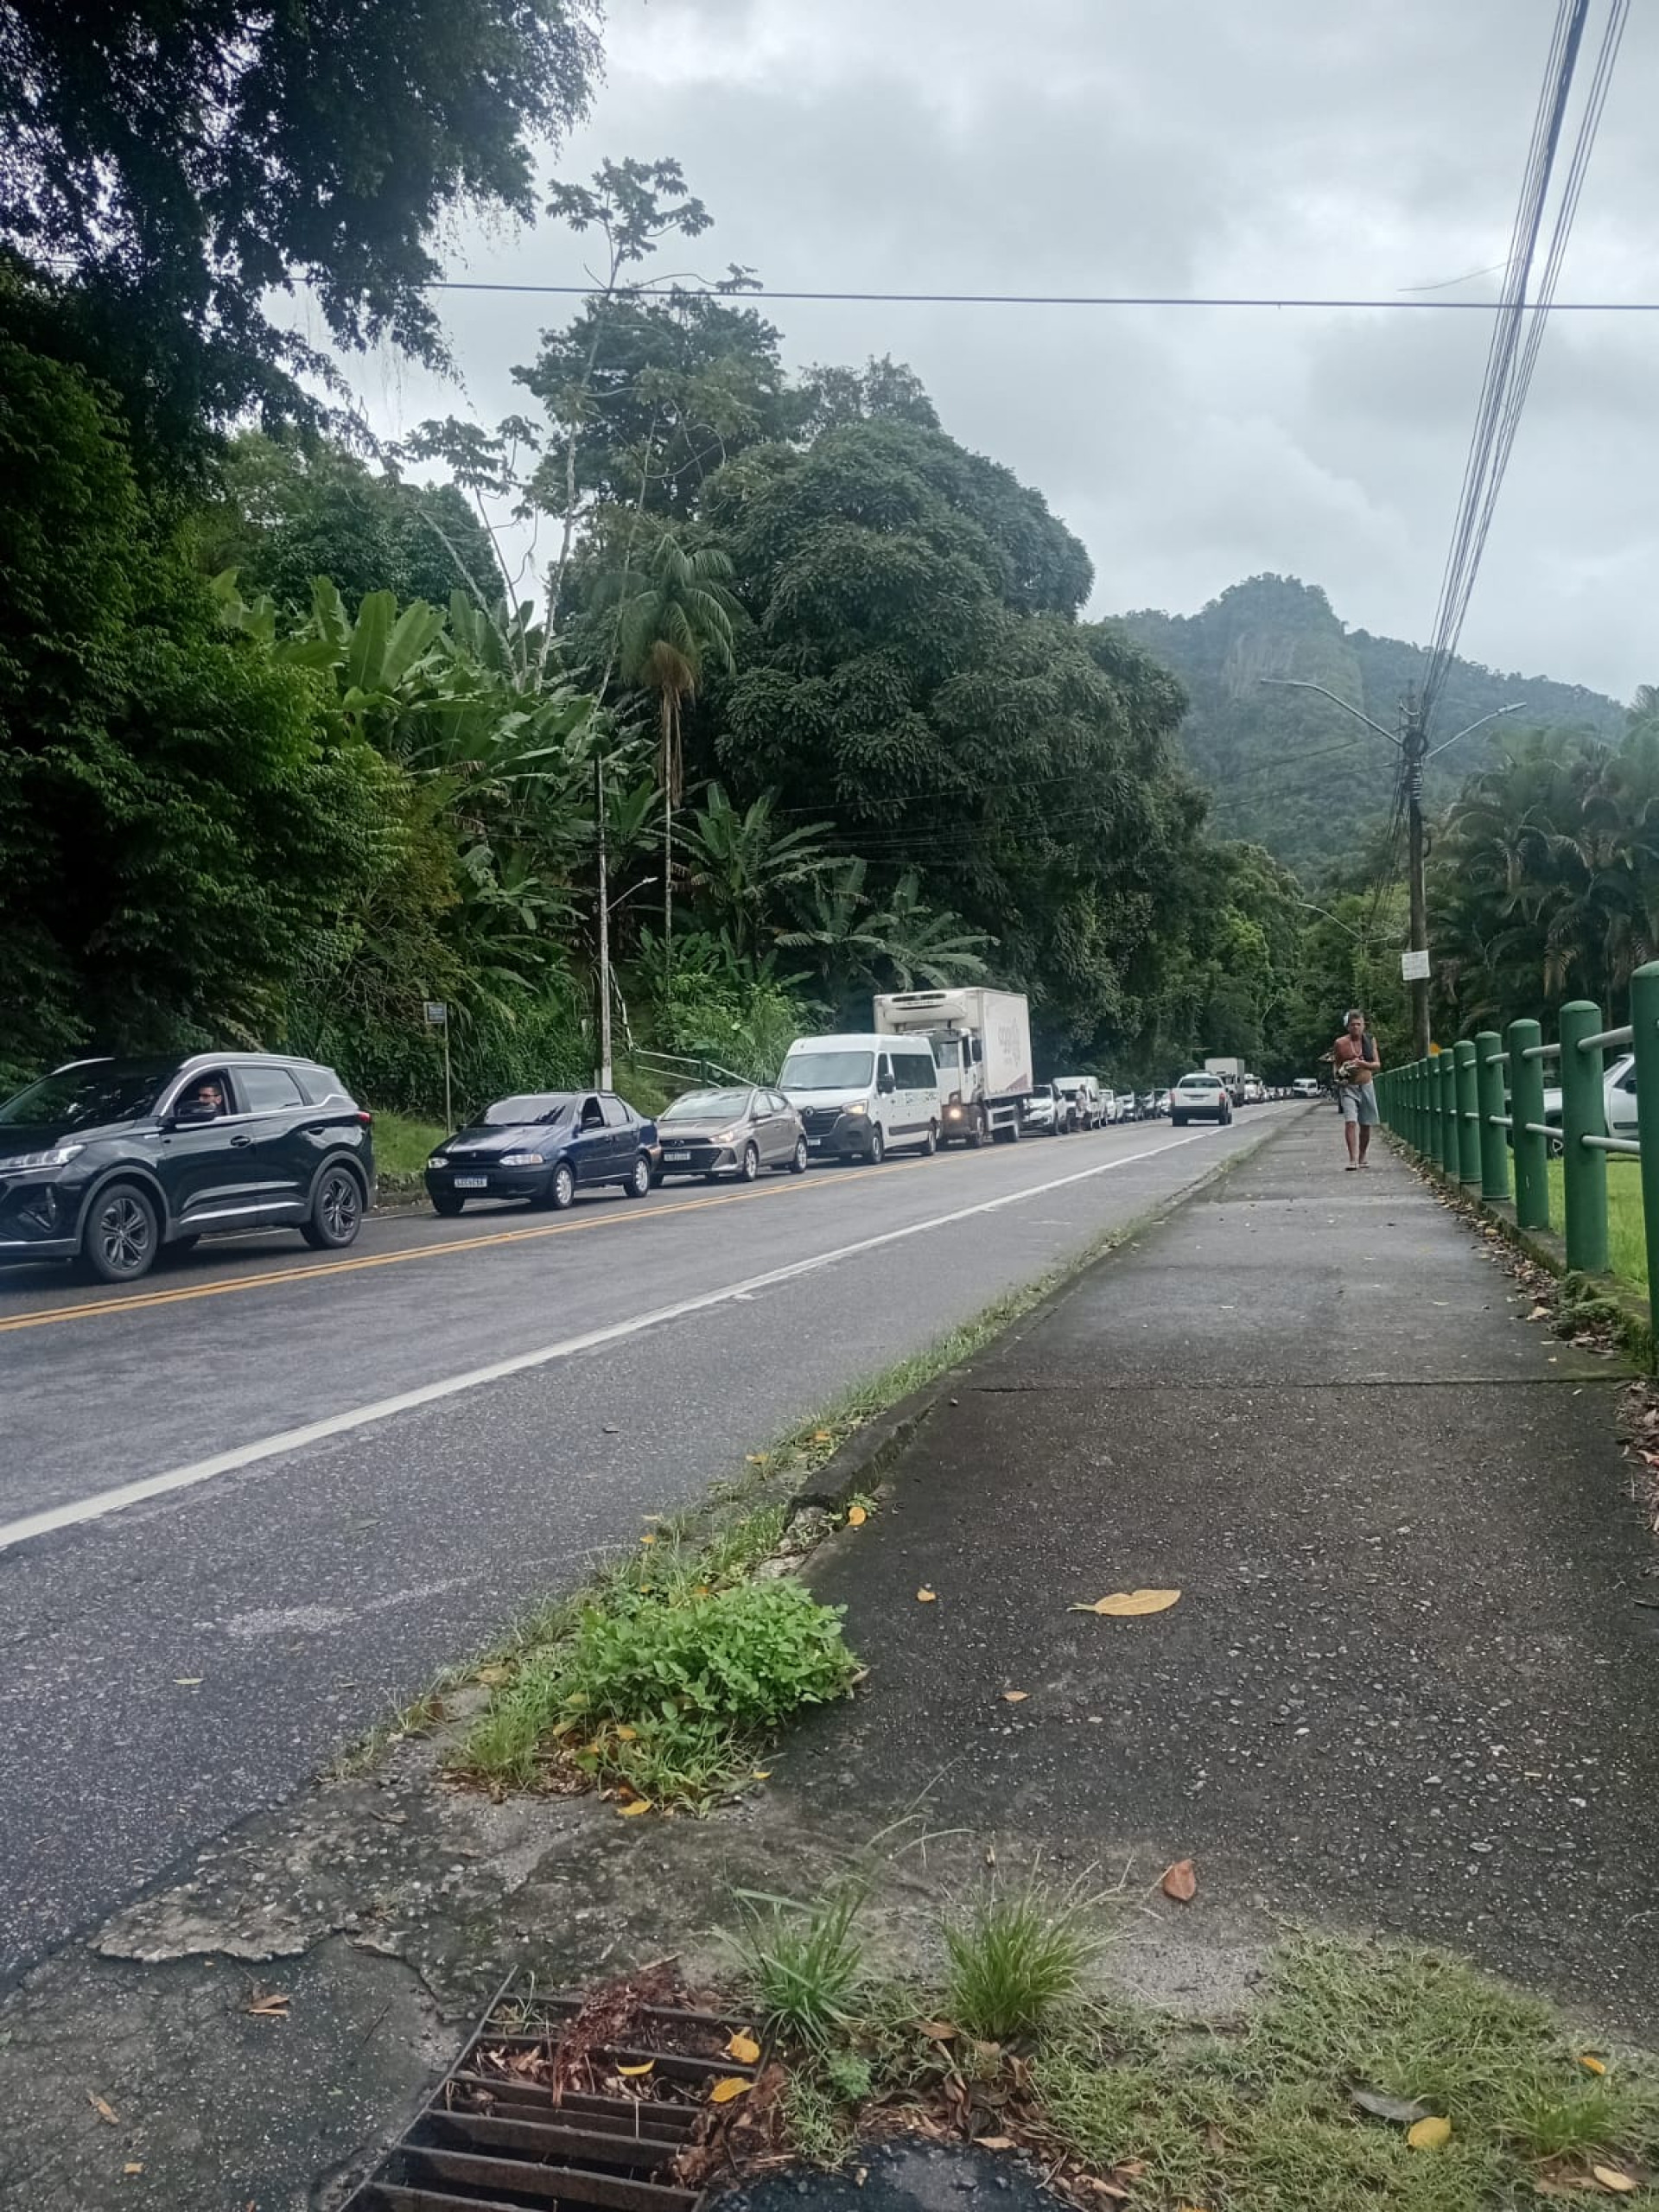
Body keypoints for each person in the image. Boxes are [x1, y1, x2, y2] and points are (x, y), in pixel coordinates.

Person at [1332, 1008, 1380, 1168]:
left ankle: (1362, 1156)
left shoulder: (1369, 1040)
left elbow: (1377, 1065)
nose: (1356, 1028)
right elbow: (1336, 1064)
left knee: (1365, 1124)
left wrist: (1361, 1064)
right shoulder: (1340, 1043)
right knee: (1350, 1122)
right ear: (1348, 1027)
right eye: (1353, 1025)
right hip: (1348, 1088)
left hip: (1366, 1085)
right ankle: (1352, 1159)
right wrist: (1339, 1077)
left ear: (1364, 1025)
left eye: (1359, 1024)